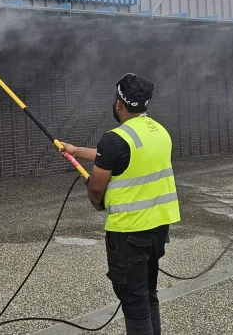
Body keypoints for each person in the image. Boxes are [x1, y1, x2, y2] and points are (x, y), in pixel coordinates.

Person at [61, 73, 180, 335]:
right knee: (148, 295)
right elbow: (118, 156)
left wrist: (94, 193)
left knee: (134, 302)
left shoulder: (114, 139)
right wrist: (75, 150)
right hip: (158, 229)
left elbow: (96, 193)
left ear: (119, 104)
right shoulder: (159, 132)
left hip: (128, 234)